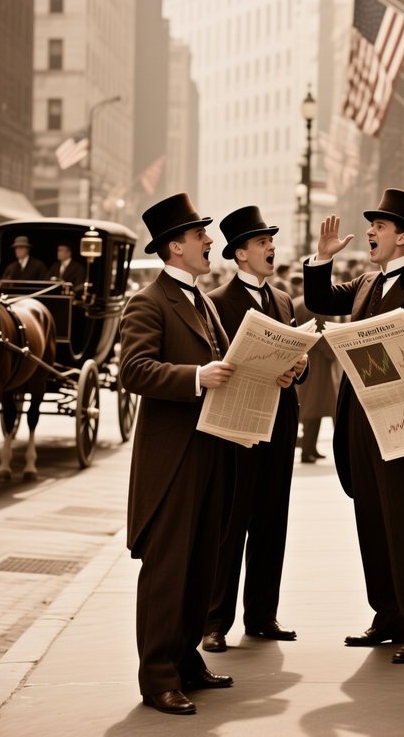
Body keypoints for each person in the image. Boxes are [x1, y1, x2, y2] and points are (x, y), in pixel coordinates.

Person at [304, 188, 404, 663]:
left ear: (403, 237)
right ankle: (387, 616)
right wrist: (321, 259)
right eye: (372, 226)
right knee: (371, 522)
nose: (369, 232)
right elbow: (321, 298)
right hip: (359, 423)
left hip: (401, 423)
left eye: (379, 227)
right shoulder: (366, 282)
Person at [118, 192, 235, 716]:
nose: (210, 241)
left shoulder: (205, 300)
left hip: (212, 448)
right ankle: (158, 677)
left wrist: (279, 368)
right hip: (171, 461)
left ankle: (187, 661)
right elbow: (134, 370)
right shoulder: (147, 301)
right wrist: (195, 377)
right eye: (200, 235)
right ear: (174, 247)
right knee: (168, 569)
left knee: (201, 563)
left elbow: (230, 362)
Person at [201, 205, 307, 653]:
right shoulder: (218, 302)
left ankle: (262, 614)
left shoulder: (282, 299)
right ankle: (213, 621)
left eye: (271, 241)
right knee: (231, 522)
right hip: (238, 424)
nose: (271, 248)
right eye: (262, 242)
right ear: (240, 253)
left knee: (272, 518)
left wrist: (297, 367)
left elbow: (293, 358)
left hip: (280, 421)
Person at [292, 293, 340, 463]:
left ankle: (311, 447)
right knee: (314, 406)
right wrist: (333, 353)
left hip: (306, 356)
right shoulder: (317, 305)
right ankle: (307, 450)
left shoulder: (298, 301)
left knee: (314, 406)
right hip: (318, 361)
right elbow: (322, 332)